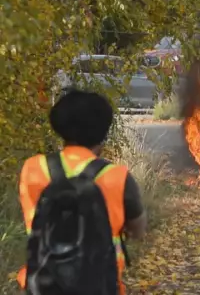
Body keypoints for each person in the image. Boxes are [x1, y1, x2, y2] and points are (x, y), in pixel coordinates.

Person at [17, 89, 147, 294]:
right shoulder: (117, 176)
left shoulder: (32, 169)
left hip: (43, 284)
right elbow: (138, 231)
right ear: (104, 130)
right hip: (99, 285)